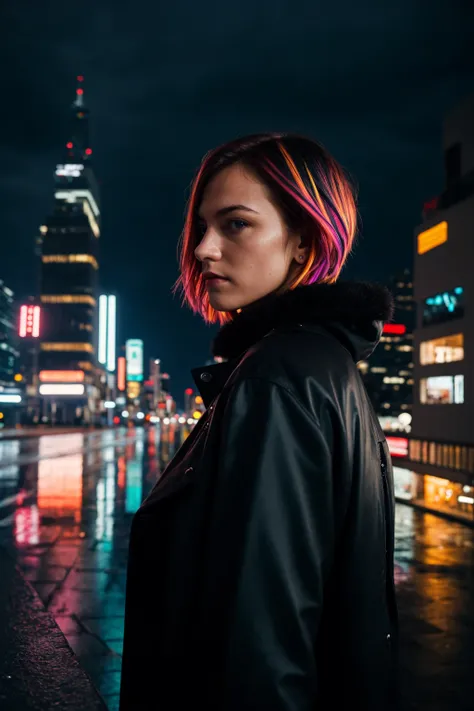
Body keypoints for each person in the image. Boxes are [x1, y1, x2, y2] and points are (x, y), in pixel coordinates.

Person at [119, 133, 399, 710]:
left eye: (235, 224)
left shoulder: (277, 377)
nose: (202, 249)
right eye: (201, 227)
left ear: (302, 241)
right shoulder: (326, 363)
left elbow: (261, 650)